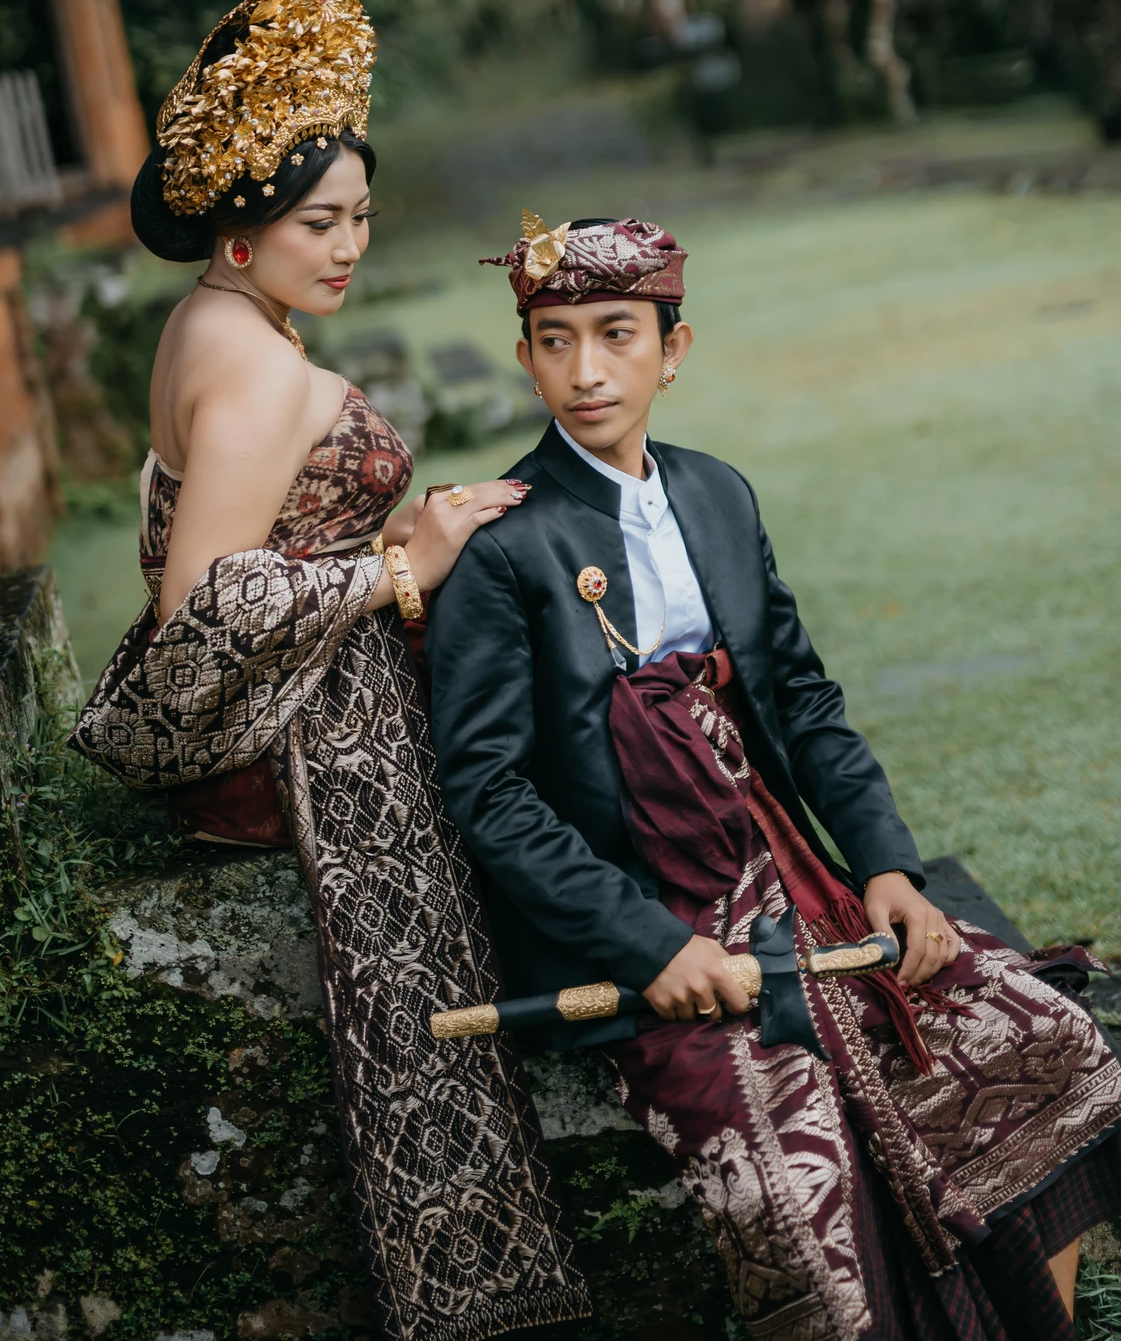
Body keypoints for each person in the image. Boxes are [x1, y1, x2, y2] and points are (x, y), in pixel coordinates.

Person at [426, 210, 1121, 1341]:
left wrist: (887, 867)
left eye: (615, 333)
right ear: (525, 357)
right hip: (649, 921)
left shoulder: (717, 494)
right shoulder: (502, 547)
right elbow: (490, 794)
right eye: (554, 340)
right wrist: (650, 946)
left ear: (673, 349)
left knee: (1044, 1040)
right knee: (792, 1187)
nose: (585, 369)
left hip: (795, 881)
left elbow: (799, 700)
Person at [69, 0, 589, 1341]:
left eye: (360, 214)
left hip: (312, 671)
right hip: (294, 734)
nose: (351, 245)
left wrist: (392, 539)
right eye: (321, 223)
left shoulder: (217, 318)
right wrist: (396, 570)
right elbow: (201, 606)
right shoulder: (249, 370)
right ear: (239, 226)